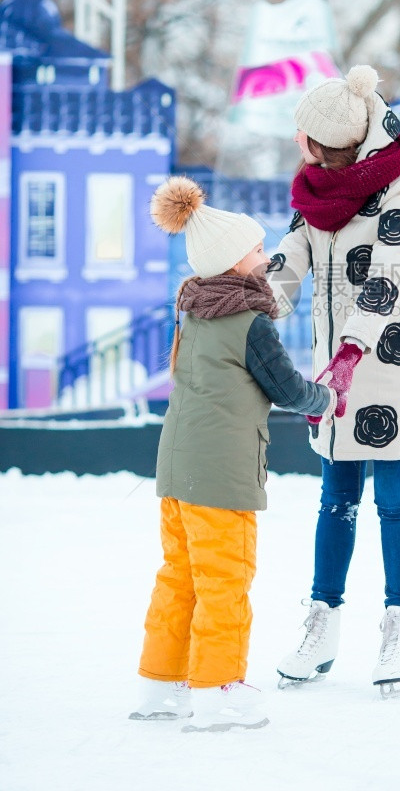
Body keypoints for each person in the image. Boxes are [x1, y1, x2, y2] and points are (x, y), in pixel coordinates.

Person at [267, 65, 400, 696]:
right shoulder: (316, 192)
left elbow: (392, 277)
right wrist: (245, 305)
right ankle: (323, 617)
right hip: (333, 375)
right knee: (335, 496)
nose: (299, 144)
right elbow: (290, 260)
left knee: (394, 499)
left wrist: (353, 349)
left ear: (325, 145)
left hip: (394, 367)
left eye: (304, 136)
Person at [129, 176, 336, 731]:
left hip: (176, 470)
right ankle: (219, 690)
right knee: (225, 579)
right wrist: (328, 397)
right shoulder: (248, 322)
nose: (267, 258)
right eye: (258, 249)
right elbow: (288, 388)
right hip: (220, 476)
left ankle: (159, 684)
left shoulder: (193, 312)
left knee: (180, 577)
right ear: (231, 261)